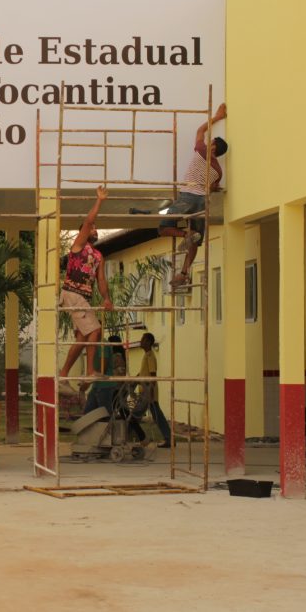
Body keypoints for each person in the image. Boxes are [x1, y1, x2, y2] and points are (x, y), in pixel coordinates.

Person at [161, 103, 228, 289]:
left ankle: (185, 233)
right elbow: (212, 187)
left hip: (187, 197)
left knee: (164, 227)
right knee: (197, 241)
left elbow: (200, 129)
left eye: (212, 141)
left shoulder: (201, 150)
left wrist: (218, 117)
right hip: (201, 202)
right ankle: (184, 272)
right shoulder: (218, 170)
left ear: (213, 146)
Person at [59, 186, 114, 386]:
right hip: (73, 293)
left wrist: (106, 299)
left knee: (83, 337)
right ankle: (90, 371)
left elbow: (101, 280)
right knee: (95, 331)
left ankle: (64, 374)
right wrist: (99, 201)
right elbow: (89, 220)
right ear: (84, 230)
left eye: (95, 228)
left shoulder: (99, 255)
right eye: (92, 227)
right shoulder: (79, 245)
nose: (95, 229)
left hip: (83, 297)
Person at [133, 332, 172, 448]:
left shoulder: (150, 356)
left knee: (134, 416)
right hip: (145, 391)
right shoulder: (146, 355)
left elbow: (153, 375)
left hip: (148, 392)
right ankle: (168, 438)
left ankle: (125, 437)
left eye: (143, 340)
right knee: (155, 415)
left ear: (148, 342)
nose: (140, 341)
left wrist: (149, 391)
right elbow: (143, 373)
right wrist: (134, 380)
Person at [83, 334, 124, 415]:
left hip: (105, 386)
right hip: (97, 385)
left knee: (105, 415)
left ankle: (112, 427)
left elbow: (103, 369)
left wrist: (88, 382)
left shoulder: (102, 344)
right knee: (88, 414)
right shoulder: (94, 344)